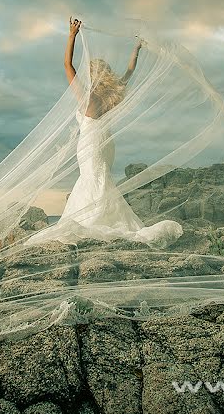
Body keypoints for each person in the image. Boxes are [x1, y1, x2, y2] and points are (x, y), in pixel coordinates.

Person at [23, 17, 183, 248]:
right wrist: (136, 48)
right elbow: (129, 71)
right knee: (100, 179)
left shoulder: (89, 99)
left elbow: (68, 66)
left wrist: (72, 35)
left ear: (92, 76)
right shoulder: (111, 96)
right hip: (106, 143)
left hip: (90, 144)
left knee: (91, 178)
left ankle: (92, 222)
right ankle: (104, 218)